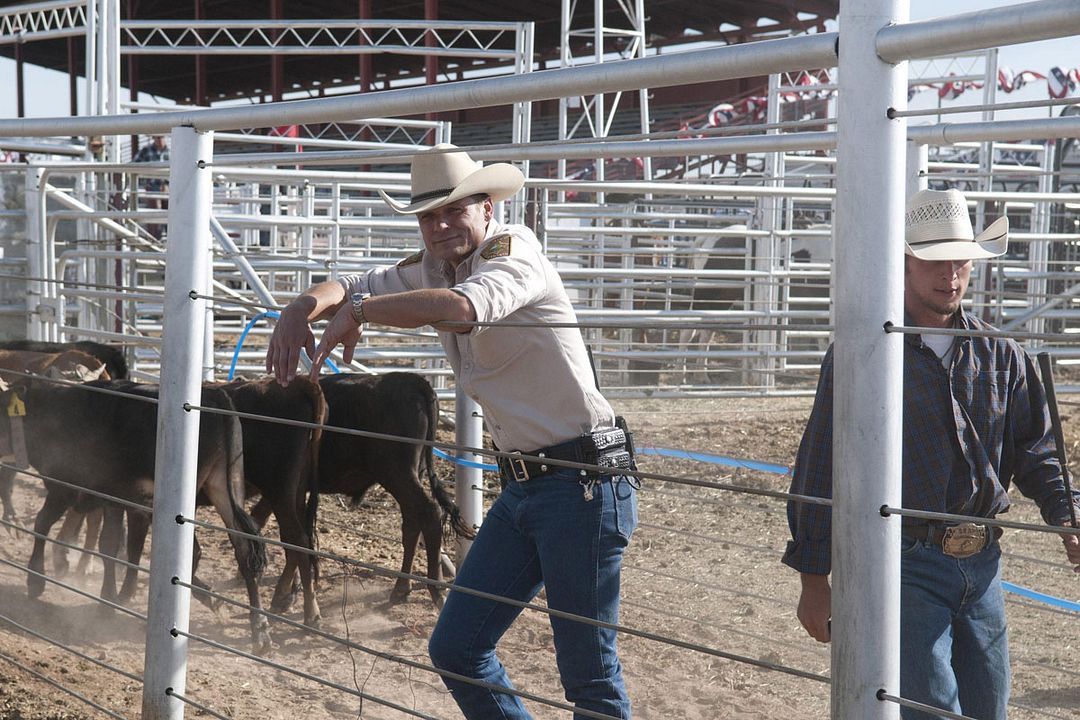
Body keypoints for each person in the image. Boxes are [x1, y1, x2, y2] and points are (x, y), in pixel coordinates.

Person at [266, 144, 639, 719]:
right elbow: (351, 282)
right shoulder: (434, 265)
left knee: (588, 673)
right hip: (529, 484)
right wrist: (300, 307)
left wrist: (362, 313)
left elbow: (465, 307)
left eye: (454, 209)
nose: (440, 225)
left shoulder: (517, 255)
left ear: (487, 208)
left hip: (582, 480)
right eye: (427, 215)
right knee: (457, 647)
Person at [782, 187, 1080, 720]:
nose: (950, 279)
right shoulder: (863, 353)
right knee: (934, 709)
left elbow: (1037, 449)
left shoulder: (1001, 353)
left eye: (960, 264)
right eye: (936, 265)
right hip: (904, 559)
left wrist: (1066, 515)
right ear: (905, 263)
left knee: (988, 705)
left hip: (982, 558)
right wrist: (813, 577)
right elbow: (821, 463)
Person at [133, 134, 169, 237]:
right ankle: (155, 238)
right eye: (158, 138)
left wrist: (167, 184)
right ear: (154, 139)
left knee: (170, 211)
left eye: (161, 137)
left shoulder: (170, 152)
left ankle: (168, 237)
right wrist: (145, 182)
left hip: (166, 186)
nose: (160, 140)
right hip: (152, 185)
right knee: (155, 210)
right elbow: (134, 165)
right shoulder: (146, 150)